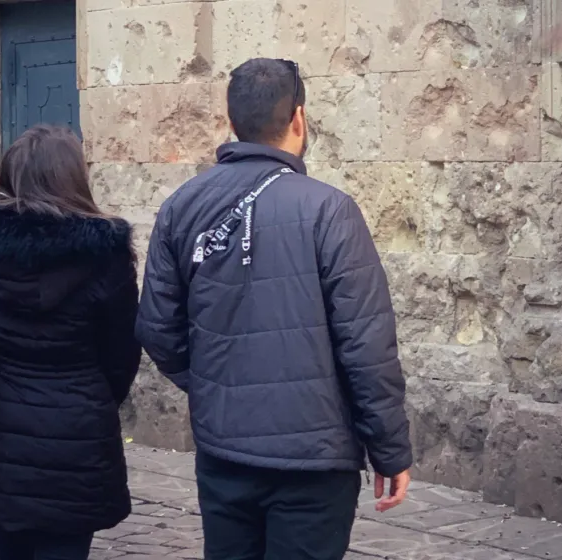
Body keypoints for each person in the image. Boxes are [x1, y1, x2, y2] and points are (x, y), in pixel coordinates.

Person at [135, 57, 413, 560]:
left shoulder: (181, 206)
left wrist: (213, 384)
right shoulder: (331, 210)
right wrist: (389, 447)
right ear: (299, 120)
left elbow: (157, 328)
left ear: (232, 122)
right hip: (313, 463)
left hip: (226, 451)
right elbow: (367, 345)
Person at [0, 124, 141, 560]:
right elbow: (122, 351)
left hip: (2, 423)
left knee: (5, 547)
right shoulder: (106, 256)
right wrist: (93, 396)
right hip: (78, 424)